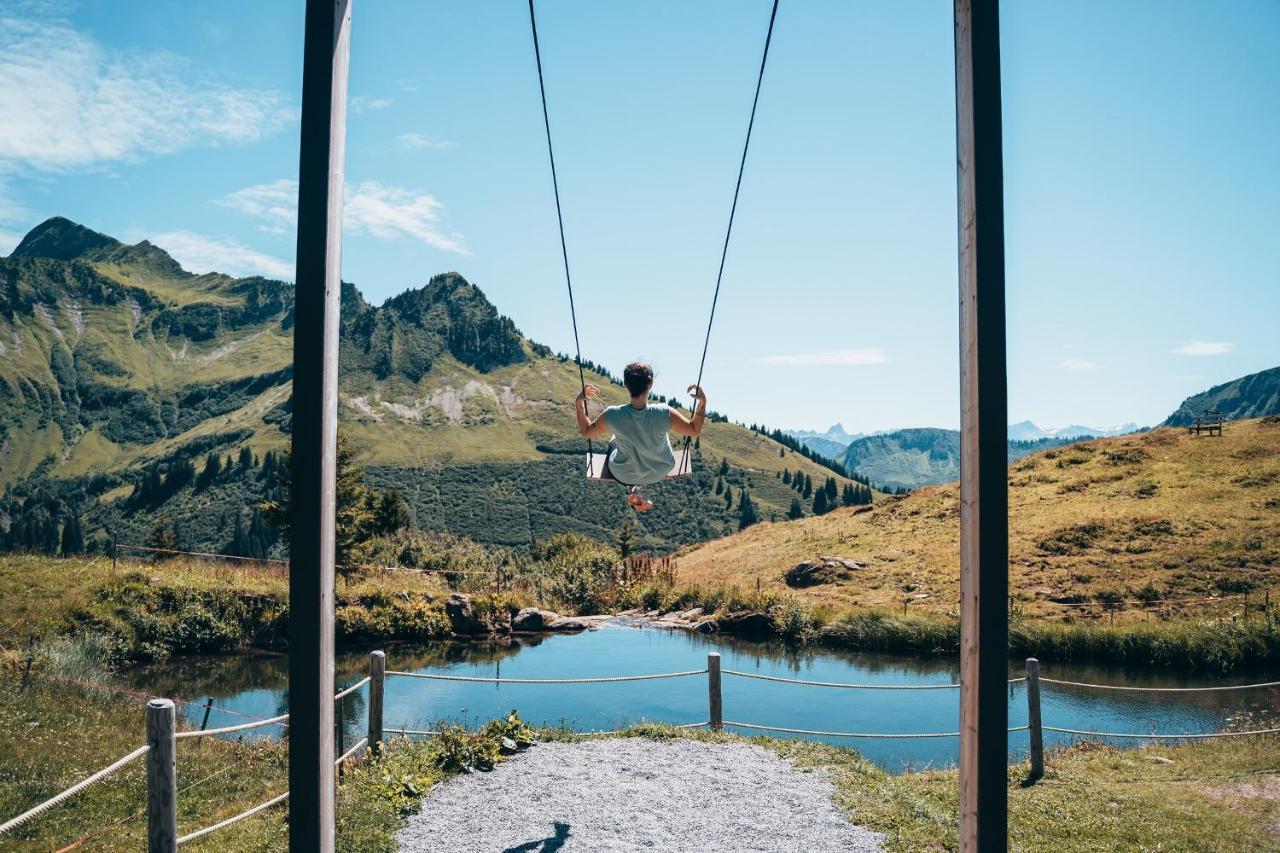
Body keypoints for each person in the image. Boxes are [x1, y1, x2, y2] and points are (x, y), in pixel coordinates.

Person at [575, 362, 707, 511]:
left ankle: (632, 488)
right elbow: (694, 429)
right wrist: (702, 402)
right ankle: (635, 489)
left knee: (614, 440)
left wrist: (579, 404)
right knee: (663, 433)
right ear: (650, 384)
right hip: (658, 471)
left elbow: (586, 432)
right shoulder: (664, 413)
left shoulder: (613, 414)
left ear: (625, 384)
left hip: (622, 473)